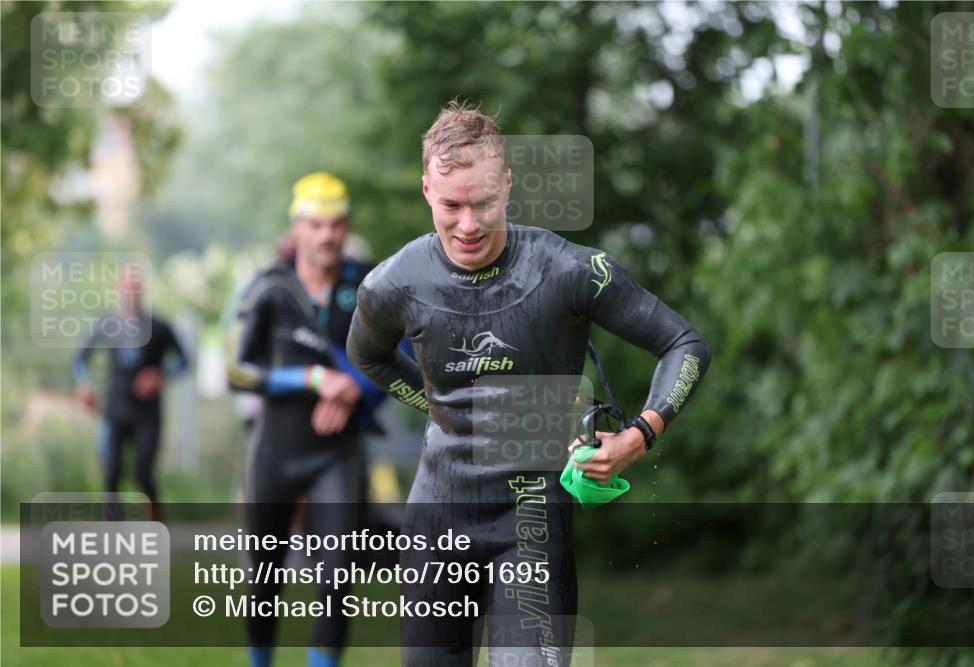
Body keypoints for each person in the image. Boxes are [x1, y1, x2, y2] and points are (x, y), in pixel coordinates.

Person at [347, 101, 711, 666]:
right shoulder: (391, 283)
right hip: (437, 519)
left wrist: (638, 436)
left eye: (484, 203)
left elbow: (685, 344)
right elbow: (366, 357)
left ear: (509, 186)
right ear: (426, 191)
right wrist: (439, 407)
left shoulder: (567, 271)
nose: (468, 225)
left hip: (531, 520)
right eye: (451, 205)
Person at [227, 172, 389, 667]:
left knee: (338, 575)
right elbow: (236, 370)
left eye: (337, 224)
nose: (327, 235)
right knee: (264, 576)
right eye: (316, 225)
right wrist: (314, 380)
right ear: (297, 228)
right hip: (274, 450)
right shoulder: (269, 289)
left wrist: (353, 391)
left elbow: (404, 354)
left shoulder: (368, 285)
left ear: (347, 227)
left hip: (335, 455)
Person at [73, 267, 188, 521]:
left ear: (142, 290)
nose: (130, 292)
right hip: (116, 409)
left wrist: (160, 375)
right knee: (112, 470)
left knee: (143, 472)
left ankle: (156, 519)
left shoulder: (158, 326)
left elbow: (185, 361)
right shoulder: (107, 324)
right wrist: (84, 386)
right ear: (119, 289)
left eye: (135, 287)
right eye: (126, 286)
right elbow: (80, 359)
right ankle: (115, 530)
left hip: (148, 412)